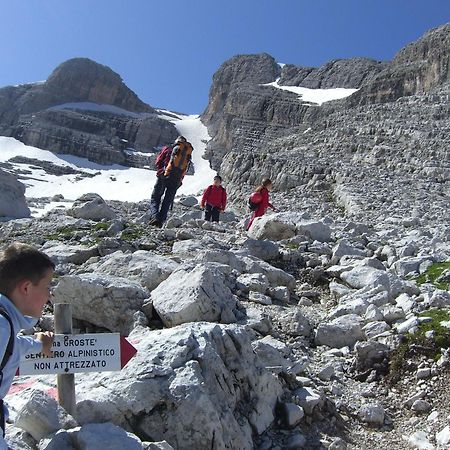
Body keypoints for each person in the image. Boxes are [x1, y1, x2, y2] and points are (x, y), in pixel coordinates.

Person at [0, 243, 55, 449]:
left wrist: (39, 345)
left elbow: (14, 347)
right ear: (25, 288)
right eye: (47, 286)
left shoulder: (5, 324)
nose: (49, 295)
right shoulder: (2, 326)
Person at [149, 136, 193, 227]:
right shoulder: (188, 154)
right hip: (176, 179)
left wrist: (162, 170)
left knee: (155, 197)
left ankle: (155, 217)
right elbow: (186, 169)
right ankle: (161, 221)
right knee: (167, 200)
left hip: (163, 176)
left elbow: (158, 162)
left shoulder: (168, 149)